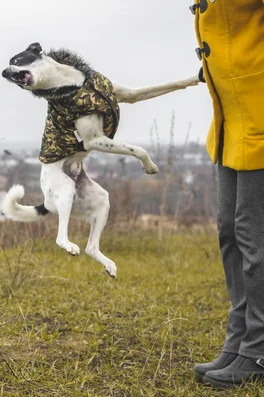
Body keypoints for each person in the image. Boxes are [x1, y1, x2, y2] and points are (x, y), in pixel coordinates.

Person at [190, 0, 264, 389]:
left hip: (260, 119)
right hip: (232, 122)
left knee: (256, 239)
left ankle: (260, 349)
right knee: (230, 234)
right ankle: (239, 341)